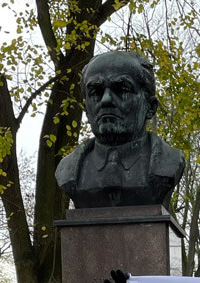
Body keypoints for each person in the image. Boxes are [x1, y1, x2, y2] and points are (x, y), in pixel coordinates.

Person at [56, 51, 185, 208]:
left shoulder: (169, 163)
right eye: (96, 92)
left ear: (150, 107)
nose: (106, 100)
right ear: (86, 109)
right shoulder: (68, 171)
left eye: (122, 89)